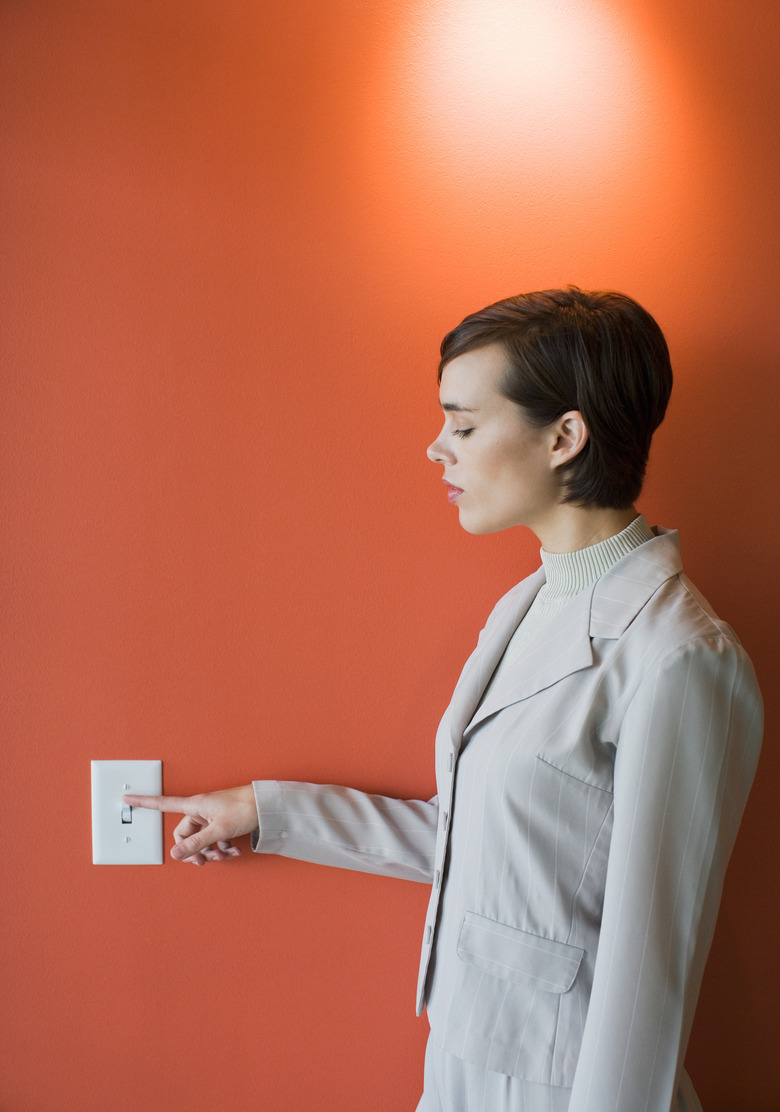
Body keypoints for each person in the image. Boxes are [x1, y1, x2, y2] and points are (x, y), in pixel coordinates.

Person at [124, 288, 763, 1112]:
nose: (436, 449)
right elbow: (485, 843)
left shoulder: (680, 657)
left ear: (566, 437)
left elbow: (650, 972)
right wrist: (265, 809)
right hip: (460, 1059)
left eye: (462, 425)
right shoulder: (524, 607)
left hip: (564, 1088)